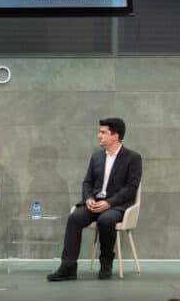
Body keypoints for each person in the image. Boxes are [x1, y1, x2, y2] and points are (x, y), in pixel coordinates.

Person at [47, 118, 142, 281]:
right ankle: (68, 267)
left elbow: (131, 187)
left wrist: (109, 203)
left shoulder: (133, 157)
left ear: (115, 136)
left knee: (106, 220)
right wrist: (89, 198)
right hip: (95, 203)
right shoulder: (97, 157)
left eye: (103, 132)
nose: (99, 136)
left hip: (116, 206)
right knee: (75, 218)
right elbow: (87, 182)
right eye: (100, 132)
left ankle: (106, 263)